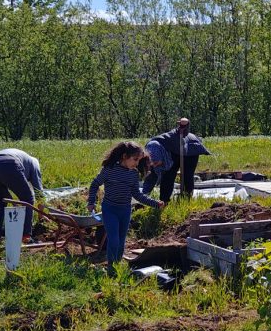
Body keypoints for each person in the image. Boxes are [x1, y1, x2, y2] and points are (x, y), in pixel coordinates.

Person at [87, 141, 165, 273]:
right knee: (114, 240)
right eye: (135, 159)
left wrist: (155, 203)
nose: (136, 163)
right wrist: (91, 202)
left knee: (122, 241)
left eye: (138, 160)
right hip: (110, 209)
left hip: (125, 210)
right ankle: (111, 267)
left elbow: (137, 195)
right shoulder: (109, 169)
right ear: (124, 156)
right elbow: (95, 184)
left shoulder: (133, 174)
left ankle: (116, 266)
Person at [141, 117, 211, 203]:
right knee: (168, 176)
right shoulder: (149, 155)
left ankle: (186, 200)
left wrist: (184, 127)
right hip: (172, 150)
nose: (154, 165)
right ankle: (164, 202)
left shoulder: (162, 148)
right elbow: (150, 178)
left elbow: (181, 131)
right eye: (152, 164)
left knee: (187, 176)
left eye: (156, 163)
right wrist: (143, 198)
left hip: (190, 149)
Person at [0, 148, 43, 240]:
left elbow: (6, 190)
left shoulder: (24, 159)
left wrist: (14, 203)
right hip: (9, 164)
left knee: (0, 201)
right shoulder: (34, 164)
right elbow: (39, 192)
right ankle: (26, 236)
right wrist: (41, 216)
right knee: (28, 199)